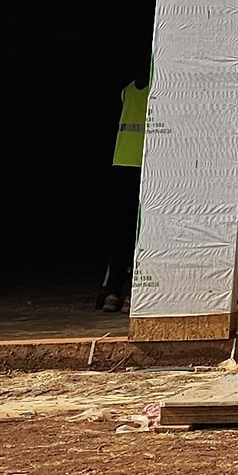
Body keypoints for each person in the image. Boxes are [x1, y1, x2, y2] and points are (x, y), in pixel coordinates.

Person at [99, 71, 147, 312]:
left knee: (123, 231)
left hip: (123, 163)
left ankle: (114, 291)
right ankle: (125, 292)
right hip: (144, 166)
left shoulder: (128, 89)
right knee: (139, 233)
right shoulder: (157, 91)